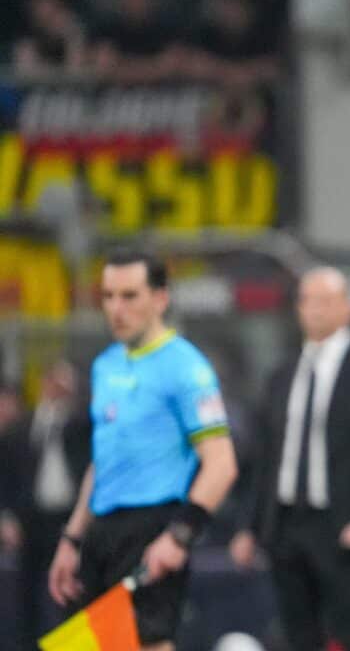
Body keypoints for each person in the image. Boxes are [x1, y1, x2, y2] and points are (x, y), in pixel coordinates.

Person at [46, 249, 240, 650]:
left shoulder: (186, 367)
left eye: (130, 296)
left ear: (160, 299)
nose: (116, 308)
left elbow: (221, 466)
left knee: (147, 645)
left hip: (152, 528)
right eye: (109, 296)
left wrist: (178, 537)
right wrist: (72, 539)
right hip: (101, 532)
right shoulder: (105, 366)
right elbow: (102, 463)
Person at [230, 267, 350, 651]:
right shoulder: (282, 374)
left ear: (348, 308)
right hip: (286, 523)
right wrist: (250, 526)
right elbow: (267, 457)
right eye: (307, 300)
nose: (315, 309)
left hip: (343, 524)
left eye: (326, 300)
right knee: (295, 632)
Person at [0, 360, 91, 647]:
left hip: (68, 520)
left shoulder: (79, 426)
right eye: (54, 382)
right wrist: (7, 516)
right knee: (26, 592)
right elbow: (7, 476)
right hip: (30, 520)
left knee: (68, 590)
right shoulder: (20, 428)